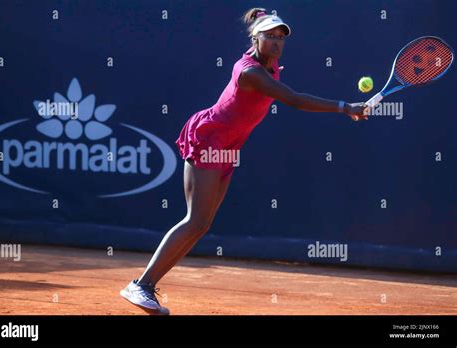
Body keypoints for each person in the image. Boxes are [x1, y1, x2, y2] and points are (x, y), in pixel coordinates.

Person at [120, 7, 367, 315]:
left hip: (229, 145)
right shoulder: (250, 72)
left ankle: (146, 286)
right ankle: (140, 285)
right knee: (194, 220)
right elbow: (295, 99)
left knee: (201, 224)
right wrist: (346, 107)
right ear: (256, 37)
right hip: (210, 139)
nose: (277, 43)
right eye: (270, 37)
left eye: (281, 38)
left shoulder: (271, 66)